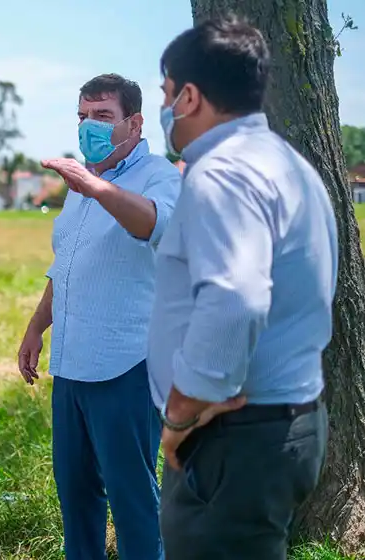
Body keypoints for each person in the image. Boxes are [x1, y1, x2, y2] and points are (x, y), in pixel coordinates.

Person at [148, 16, 336, 560]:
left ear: (188, 97)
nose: (165, 106)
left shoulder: (222, 173)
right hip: (279, 424)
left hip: (232, 436)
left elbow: (235, 300)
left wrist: (181, 411)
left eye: (165, 91)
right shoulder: (286, 163)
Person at [18, 74, 181, 560]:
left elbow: (154, 224)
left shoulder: (158, 175)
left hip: (126, 365)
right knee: (76, 495)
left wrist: (95, 187)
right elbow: (68, 262)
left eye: (103, 116)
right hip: (71, 365)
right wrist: (36, 327)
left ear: (134, 123)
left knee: (133, 500)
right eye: (83, 116)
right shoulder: (82, 183)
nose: (89, 126)